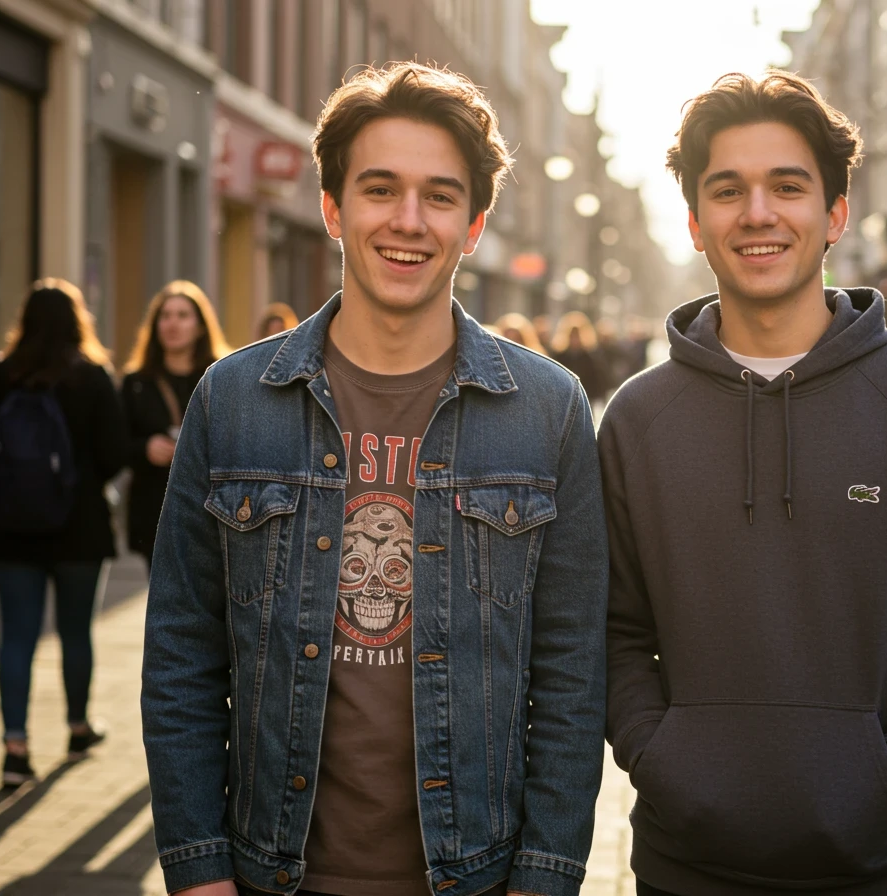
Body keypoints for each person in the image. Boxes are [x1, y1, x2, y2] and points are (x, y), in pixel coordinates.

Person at [141, 62, 608, 896]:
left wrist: (545, 877)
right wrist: (198, 868)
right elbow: (182, 648)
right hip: (270, 875)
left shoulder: (550, 409)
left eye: (439, 195)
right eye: (380, 189)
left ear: (473, 224)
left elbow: (573, 672)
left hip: (476, 876)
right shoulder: (234, 400)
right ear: (333, 208)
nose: (408, 221)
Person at [599, 72, 887, 896]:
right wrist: (663, 758)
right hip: (684, 867)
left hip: (883, 867)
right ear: (694, 221)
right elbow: (610, 631)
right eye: (727, 191)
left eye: (787, 187)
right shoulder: (636, 419)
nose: (757, 213)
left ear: (834, 215)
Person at [0, 278, 127, 787]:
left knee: (17, 636)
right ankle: (77, 728)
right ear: (79, 321)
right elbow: (115, 455)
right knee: (76, 632)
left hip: (10, 529)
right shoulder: (93, 377)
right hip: (79, 530)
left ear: (24, 320)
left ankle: (15, 749)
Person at [121, 280, 230, 574]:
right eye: (165, 316)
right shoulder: (136, 382)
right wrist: (145, 448)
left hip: (210, 507)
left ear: (200, 326)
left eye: (183, 316)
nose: (172, 324)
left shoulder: (221, 378)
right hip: (154, 507)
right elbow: (115, 444)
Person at [550, 311, 607, 406]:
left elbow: (598, 379)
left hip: (585, 398)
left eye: (577, 335)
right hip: (564, 397)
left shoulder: (590, 357)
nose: (574, 339)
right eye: (572, 335)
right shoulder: (559, 356)